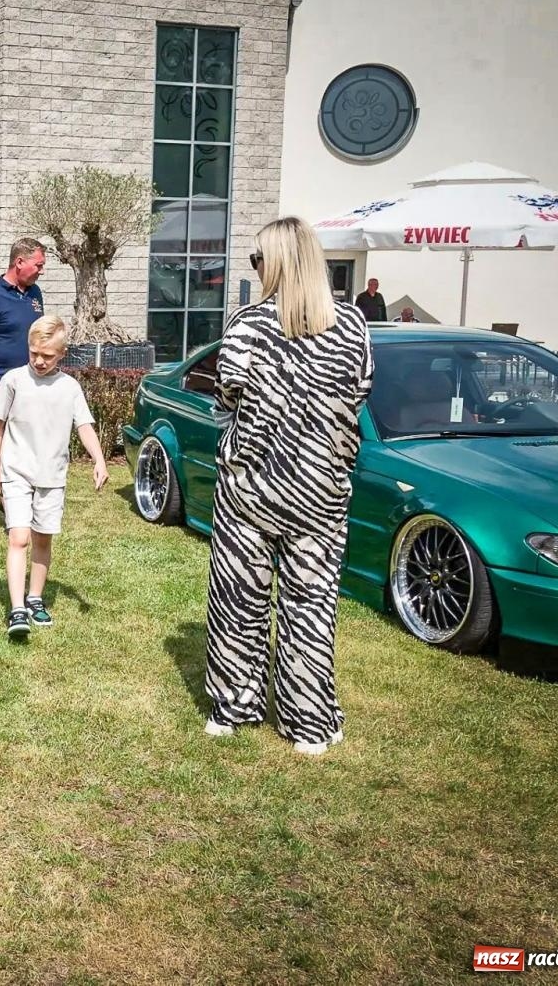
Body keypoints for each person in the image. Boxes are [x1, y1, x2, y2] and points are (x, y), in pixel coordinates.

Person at [204, 216, 373, 756]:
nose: (254, 269)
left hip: (252, 482)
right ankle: (309, 723)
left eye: (258, 260)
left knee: (238, 599)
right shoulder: (352, 326)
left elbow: (227, 395)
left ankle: (234, 706)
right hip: (321, 485)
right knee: (311, 604)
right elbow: (361, 392)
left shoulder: (248, 325)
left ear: (274, 264)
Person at [0, 315, 108, 643]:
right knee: (19, 538)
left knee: (42, 539)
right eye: (34, 353)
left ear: (62, 354)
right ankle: (16, 609)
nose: (39, 361)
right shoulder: (13, 380)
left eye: (48, 356)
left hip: (52, 477)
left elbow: (84, 426)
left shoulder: (70, 388)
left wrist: (98, 459)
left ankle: (35, 598)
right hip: (16, 471)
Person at [0, 238, 47, 403]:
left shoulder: (35, 293)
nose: (42, 271)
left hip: (34, 383)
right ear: (19, 262)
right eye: (38, 265)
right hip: (4, 386)